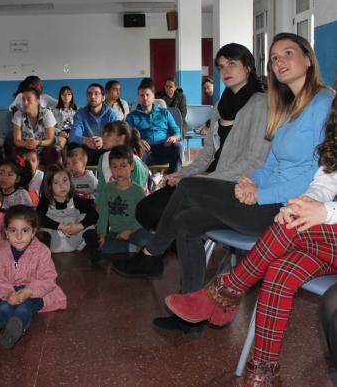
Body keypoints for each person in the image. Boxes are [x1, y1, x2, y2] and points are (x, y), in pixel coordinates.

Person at [115, 33, 334, 337]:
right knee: (185, 220)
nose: (279, 61)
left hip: (283, 210)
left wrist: (260, 191)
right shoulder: (287, 105)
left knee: (189, 188)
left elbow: (316, 173)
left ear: (308, 59)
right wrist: (251, 182)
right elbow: (269, 163)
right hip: (261, 195)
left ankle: (152, 255)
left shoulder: (323, 102)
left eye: (288, 53)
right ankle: (190, 319)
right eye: (274, 57)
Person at [165, 95, 337, 386]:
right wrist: (306, 204)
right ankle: (263, 371)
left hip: (328, 230)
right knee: (280, 272)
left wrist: (325, 211)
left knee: (291, 225)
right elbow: (325, 182)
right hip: (327, 239)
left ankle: (225, 291)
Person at [129, 43, 270, 234]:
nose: (224, 70)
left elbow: (254, 161)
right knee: (145, 209)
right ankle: (168, 247)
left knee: (160, 213)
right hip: (209, 178)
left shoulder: (261, 103)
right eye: (220, 66)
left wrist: (201, 179)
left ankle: (159, 251)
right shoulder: (221, 105)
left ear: (248, 66)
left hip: (234, 185)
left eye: (231, 63)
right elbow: (208, 154)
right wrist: (184, 173)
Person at [0, 205, 67, 349]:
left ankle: (16, 329)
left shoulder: (42, 251)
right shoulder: (0, 252)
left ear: (33, 232)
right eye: (13, 231)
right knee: (5, 307)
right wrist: (8, 293)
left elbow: (48, 278)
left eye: (25, 231)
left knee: (24, 307)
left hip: (36, 292)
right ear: (6, 233)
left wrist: (28, 291)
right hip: (8, 291)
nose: (19, 237)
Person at [97, 145, 152, 254]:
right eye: (114, 167)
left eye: (123, 166)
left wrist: (130, 230)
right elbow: (103, 212)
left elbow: (143, 217)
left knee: (145, 239)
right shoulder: (108, 188)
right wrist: (102, 233)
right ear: (110, 168)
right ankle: (131, 248)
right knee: (102, 248)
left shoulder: (138, 191)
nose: (119, 171)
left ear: (131, 166)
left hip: (136, 230)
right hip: (116, 233)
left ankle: (135, 246)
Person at [37, 165, 100, 261]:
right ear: (49, 186)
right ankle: (42, 258)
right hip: (53, 242)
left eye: (65, 180)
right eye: (56, 182)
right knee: (42, 228)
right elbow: (38, 217)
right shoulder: (45, 200)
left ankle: (95, 251)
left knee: (87, 220)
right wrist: (60, 226)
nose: (62, 186)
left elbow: (94, 214)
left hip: (74, 238)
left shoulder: (75, 198)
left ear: (70, 181)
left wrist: (79, 226)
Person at [126, 80, 183, 173]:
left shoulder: (164, 113)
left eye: (147, 95)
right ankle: (144, 183)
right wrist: (138, 141)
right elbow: (127, 137)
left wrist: (174, 137)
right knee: (133, 152)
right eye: (141, 95)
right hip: (143, 151)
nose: (144, 98)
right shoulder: (131, 116)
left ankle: (172, 179)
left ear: (153, 97)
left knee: (178, 147)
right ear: (138, 98)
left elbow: (177, 131)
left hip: (164, 148)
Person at [95, 121, 148, 203]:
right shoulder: (103, 158)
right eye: (103, 134)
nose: (103, 137)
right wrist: (98, 206)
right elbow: (101, 189)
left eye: (108, 134)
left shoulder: (134, 162)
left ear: (121, 138)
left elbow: (137, 196)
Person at [68, 83, 119, 165]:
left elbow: (117, 137)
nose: (92, 96)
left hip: (106, 149)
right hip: (87, 149)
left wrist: (103, 140)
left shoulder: (112, 115)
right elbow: (73, 136)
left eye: (96, 93)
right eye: (89, 93)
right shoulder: (80, 114)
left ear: (103, 97)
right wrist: (87, 140)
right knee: (72, 146)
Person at [12, 86, 58, 166]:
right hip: (25, 147)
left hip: (43, 146)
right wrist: (26, 144)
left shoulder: (47, 113)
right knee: (15, 155)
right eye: (23, 100)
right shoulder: (18, 114)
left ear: (37, 101)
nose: (25, 103)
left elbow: (50, 139)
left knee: (51, 152)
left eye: (29, 99)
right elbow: (17, 140)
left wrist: (38, 142)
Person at [52, 85, 78, 151]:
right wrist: (59, 132)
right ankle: (60, 159)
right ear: (60, 96)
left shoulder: (77, 111)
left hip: (73, 133)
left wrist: (73, 133)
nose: (66, 96)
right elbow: (51, 126)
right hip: (61, 133)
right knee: (60, 143)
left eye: (69, 94)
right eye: (64, 94)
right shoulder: (54, 111)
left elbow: (79, 125)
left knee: (74, 144)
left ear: (72, 96)